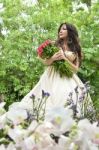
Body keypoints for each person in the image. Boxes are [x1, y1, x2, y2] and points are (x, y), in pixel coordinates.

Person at [20, 22, 92, 117]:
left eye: (64, 29)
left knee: (66, 100)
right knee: (44, 101)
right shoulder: (53, 44)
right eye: (60, 29)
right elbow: (45, 62)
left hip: (67, 78)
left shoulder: (75, 48)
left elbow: (75, 69)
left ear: (70, 32)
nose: (61, 31)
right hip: (50, 77)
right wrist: (53, 58)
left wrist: (64, 58)